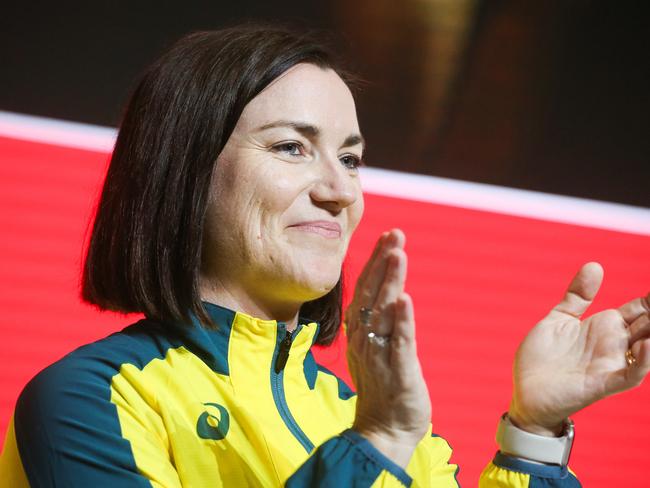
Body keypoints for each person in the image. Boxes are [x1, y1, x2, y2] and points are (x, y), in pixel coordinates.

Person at [1, 24, 648, 487]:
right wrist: (374, 445)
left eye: (351, 158)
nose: (340, 190)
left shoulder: (369, 414)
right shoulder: (88, 402)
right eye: (291, 147)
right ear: (184, 170)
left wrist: (535, 431)